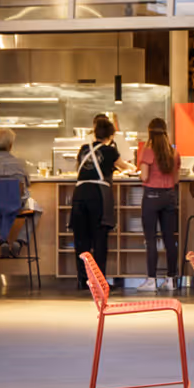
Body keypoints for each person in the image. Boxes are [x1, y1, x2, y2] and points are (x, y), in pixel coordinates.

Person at [71, 114, 120, 273]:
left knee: (81, 240)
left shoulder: (84, 149)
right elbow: (124, 166)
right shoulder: (110, 150)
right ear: (111, 136)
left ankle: (83, 280)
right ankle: (99, 280)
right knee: (99, 240)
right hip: (98, 196)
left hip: (79, 194)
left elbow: (78, 167)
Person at [138, 117, 182, 290]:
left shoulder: (148, 151)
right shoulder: (174, 153)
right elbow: (176, 179)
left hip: (151, 196)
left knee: (151, 240)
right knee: (169, 239)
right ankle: (171, 280)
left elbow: (144, 176)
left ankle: (151, 281)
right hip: (169, 196)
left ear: (150, 133)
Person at [0, 129, 34, 252]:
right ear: (11, 145)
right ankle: (20, 241)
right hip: (16, 205)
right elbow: (27, 184)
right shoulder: (20, 163)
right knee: (37, 210)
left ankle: (0, 239)